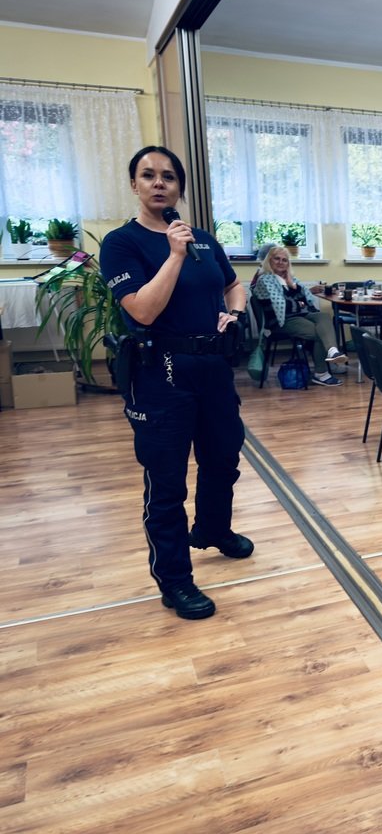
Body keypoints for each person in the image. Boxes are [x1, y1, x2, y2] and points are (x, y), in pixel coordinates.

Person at [99, 146, 253, 621]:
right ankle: (175, 580)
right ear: (135, 186)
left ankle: (212, 528)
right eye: (149, 176)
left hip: (212, 367)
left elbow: (232, 284)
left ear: (179, 187)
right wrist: (174, 253)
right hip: (160, 372)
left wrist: (235, 313)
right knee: (166, 482)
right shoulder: (122, 244)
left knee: (223, 458)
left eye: (168, 176)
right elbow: (142, 309)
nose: (159, 183)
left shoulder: (204, 240)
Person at [252, 244, 346, 386]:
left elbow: (307, 298)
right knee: (319, 333)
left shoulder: (290, 279)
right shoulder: (265, 279)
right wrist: (298, 300)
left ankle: (332, 352)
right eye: (276, 259)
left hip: (299, 316)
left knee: (323, 317)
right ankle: (321, 373)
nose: (280, 262)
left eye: (284, 260)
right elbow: (282, 304)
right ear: (269, 261)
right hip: (282, 321)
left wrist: (294, 288)